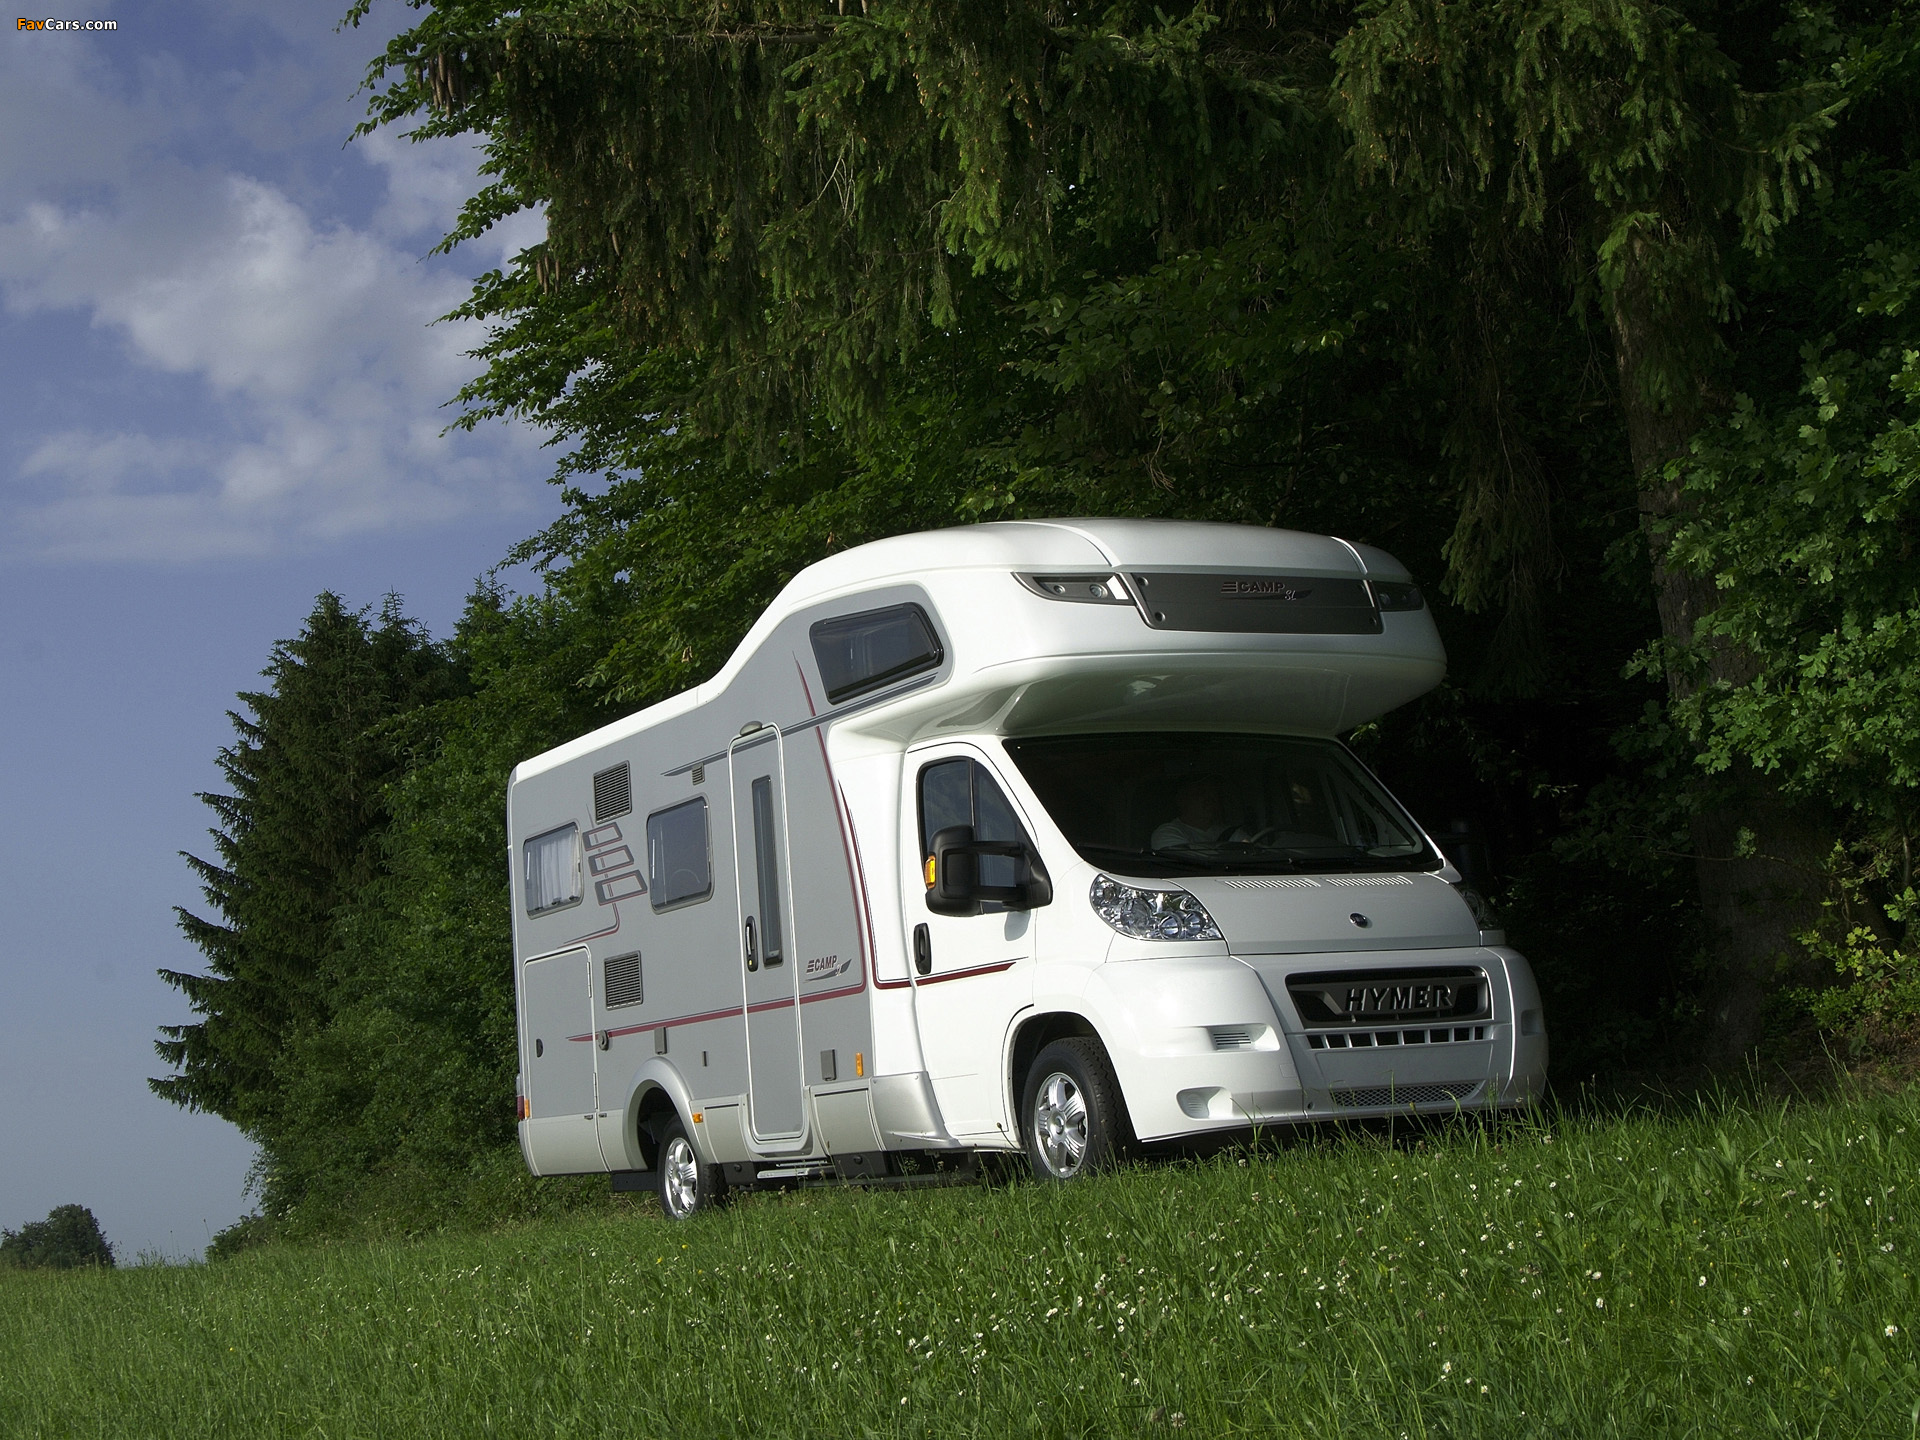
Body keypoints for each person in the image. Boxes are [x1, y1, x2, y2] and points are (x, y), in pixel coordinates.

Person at [1150, 775, 1246, 850]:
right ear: (1182, 800)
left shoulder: (1232, 834)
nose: (1209, 799)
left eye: (1213, 793)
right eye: (1201, 793)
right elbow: (1187, 862)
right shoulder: (1167, 832)